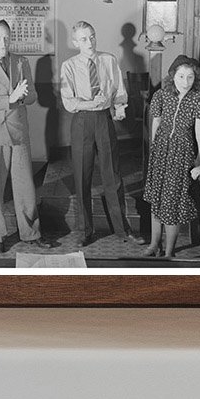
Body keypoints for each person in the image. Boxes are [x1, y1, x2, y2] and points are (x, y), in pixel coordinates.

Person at [0, 19, 53, 253]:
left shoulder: (21, 61)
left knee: (25, 185)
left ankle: (30, 232)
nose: (3, 42)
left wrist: (23, 97)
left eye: (6, 37)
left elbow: (33, 95)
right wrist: (11, 98)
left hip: (17, 129)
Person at [59, 21, 143, 245]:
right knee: (82, 176)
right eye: (84, 39)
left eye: (92, 36)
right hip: (82, 122)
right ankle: (86, 231)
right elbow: (69, 101)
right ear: (75, 42)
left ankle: (122, 229)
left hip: (103, 120)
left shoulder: (108, 60)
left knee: (112, 175)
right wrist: (88, 103)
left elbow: (118, 90)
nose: (90, 42)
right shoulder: (68, 66)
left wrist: (120, 107)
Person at [142, 54, 200, 259]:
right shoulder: (162, 95)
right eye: (181, 76)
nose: (185, 82)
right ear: (173, 76)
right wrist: (154, 147)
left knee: (171, 203)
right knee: (157, 200)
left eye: (190, 77)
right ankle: (154, 244)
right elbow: (155, 122)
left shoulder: (199, 98)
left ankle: (169, 252)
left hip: (181, 154)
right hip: (160, 152)